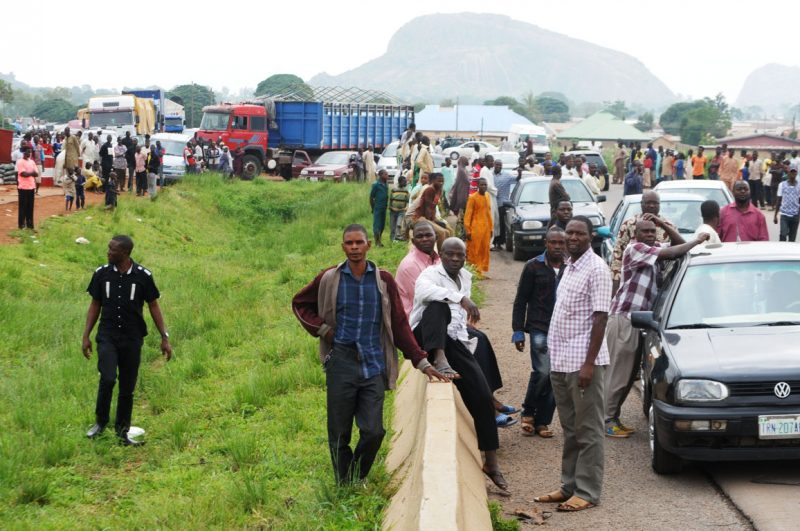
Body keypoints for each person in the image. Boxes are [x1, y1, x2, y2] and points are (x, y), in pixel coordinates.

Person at [291, 224, 446, 484]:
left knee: (373, 431)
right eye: (349, 243)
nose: (354, 248)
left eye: (359, 242)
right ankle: (345, 482)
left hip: (374, 364)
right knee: (339, 432)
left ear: (367, 245)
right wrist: (323, 329)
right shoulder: (330, 278)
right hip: (341, 361)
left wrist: (421, 361)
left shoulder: (383, 280)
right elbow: (300, 303)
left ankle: (357, 473)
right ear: (343, 247)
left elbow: (398, 324)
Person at [409, 237, 508, 492]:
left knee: (482, 396)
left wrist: (467, 351)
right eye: (450, 255)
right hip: (425, 338)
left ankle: (491, 463)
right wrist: (460, 298)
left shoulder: (465, 276)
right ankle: (439, 359)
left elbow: (459, 321)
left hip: (453, 340)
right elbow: (424, 294)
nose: (455, 259)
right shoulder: (429, 275)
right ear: (440, 254)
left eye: (459, 256)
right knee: (438, 307)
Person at [605, 216, 709, 438]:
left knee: (628, 373)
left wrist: (665, 226)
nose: (651, 235)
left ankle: (612, 417)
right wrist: (698, 240)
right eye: (646, 231)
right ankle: (606, 420)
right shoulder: (636, 249)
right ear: (636, 234)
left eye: (653, 231)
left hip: (639, 321)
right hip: (625, 318)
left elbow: (679, 247)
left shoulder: (654, 248)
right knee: (619, 373)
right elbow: (672, 253)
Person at [534, 216, 611, 512]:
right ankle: (568, 486)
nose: (573, 237)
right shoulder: (569, 266)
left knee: (589, 430)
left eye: (580, 233)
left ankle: (588, 491)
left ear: (590, 237)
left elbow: (600, 318)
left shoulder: (597, 269)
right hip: (561, 362)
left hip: (583, 364)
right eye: (570, 233)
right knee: (570, 429)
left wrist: (589, 365)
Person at [82, 235, 171, 447]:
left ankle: (122, 432)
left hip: (132, 339)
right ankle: (100, 423)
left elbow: (154, 306)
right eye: (108, 248)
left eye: (113, 250)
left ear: (125, 253)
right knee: (108, 378)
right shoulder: (101, 274)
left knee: (127, 387)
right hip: (107, 336)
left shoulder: (143, 276)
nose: (108, 252)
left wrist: (164, 337)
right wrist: (86, 335)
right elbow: (95, 304)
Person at [512, 227, 565, 438]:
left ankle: (542, 421)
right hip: (539, 327)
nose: (558, 247)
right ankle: (528, 411)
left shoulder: (571, 268)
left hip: (563, 330)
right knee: (543, 371)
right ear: (546, 243)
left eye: (561, 243)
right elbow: (521, 300)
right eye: (553, 242)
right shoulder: (533, 267)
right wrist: (517, 330)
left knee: (555, 375)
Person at [611, 191, 677, 293]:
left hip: (662, 283)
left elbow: (678, 249)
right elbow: (618, 255)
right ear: (641, 204)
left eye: (655, 203)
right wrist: (616, 288)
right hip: (634, 281)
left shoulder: (669, 226)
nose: (651, 206)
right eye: (648, 203)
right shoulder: (629, 224)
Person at [412, 173, 448, 251]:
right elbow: (428, 208)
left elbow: (433, 207)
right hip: (420, 217)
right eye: (439, 181)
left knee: (449, 231)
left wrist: (435, 219)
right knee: (442, 233)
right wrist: (433, 222)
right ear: (433, 181)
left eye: (442, 181)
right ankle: (440, 255)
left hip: (430, 217)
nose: (441, 183)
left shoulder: (439, 190)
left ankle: (447, 251)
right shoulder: (430, 190)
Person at [464, 178, 493, 275]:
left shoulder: (488, 196)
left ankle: (480, 271)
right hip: (475, 228)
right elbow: (468, 215)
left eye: (485, 184)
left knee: (484, 250)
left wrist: (491, 228)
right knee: (474, 250)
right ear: (477, 186)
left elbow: (488, 213)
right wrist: (468, 230)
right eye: (482, 185)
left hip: (486, 228)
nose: (484, 186)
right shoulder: (472, 198)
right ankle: (473, 272)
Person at [493, 161, 516, 250]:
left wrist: (520, 174)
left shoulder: (507, 175)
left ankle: (499, 243)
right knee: (494, 224)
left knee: (501, 224)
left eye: (500, 165)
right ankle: (494, 243)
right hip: (493, 203)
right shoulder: (490, 175)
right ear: (494, 165)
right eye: (497, 165)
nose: (498, 166)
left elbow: (517, 179)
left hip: (503, 204)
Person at [774, 168, 800, 242]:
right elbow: (779, 200)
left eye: (794, 173)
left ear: (796, 174)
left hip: (795, 215)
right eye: (791, 172)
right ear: (788, 174)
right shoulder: (782, 185)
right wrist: (775, 215)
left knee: (792, 238)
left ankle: (789, 252)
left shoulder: (799, 185)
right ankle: (781, 250)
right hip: (784, 214)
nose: (793, 174)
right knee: (783, 234)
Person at [15, 147, 38, 229]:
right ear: (24, 153)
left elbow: (36, 173)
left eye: (30, 152)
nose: (29, 153)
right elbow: (23, 174)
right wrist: (32, 173)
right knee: (23, 207)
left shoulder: (32, 161)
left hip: (31, 186)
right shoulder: (20, 162)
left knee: (30, 207)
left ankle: (30, 225)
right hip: (23, 187)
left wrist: (30, 173)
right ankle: (21, 225)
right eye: (28, 152)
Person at [449, 156, 471, 239]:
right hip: (462, 197)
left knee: (463, 218)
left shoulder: (462, 169)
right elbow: (465, 183)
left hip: (463, 196)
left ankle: (462, 234)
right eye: (466, 160)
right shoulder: (461, 171)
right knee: (461, 219)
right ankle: (459, 234)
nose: (467, 161)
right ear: (463, 161)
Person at [369, 169, 389, 247]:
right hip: (377, 207)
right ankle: (377, 242)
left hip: (384, 208)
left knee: (382, 225)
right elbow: (371, 197)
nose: (387, 176)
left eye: (387, 174)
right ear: (380, 175)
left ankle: (379, 241)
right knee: (377, 225)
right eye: (385, 174)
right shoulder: (376, 185)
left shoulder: (386, 184)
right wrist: (373, 208)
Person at [388, 174, 410, 242]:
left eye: (406, 181)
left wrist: (406, 207)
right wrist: (391, 207)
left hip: (401, 211)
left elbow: (407, 201)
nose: (405, 183)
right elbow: (391, 200)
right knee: (392, 225)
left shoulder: (406, 191)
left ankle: (397, 236)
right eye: (404, 181)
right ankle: (392, 238)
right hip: (393, 210)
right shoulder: (394, 190)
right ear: (399, 182)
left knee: (398, 224)